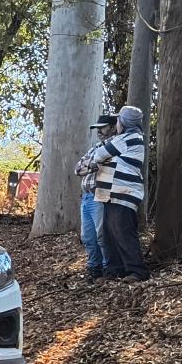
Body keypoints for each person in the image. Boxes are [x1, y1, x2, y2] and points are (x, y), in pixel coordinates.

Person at [89, 104, 150, 283]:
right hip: (112, 193)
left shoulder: (129, 138)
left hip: (123, 192)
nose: (116, 124)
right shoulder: (128, 138)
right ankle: (114, 271)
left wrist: (106, 158)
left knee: (123, 232)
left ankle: (137, 271)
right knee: (109, 234)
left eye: (118, 120)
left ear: (123, 122)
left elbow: (98, 155)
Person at [74, 112, 118, 280]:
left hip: (100, 195)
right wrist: (94, 164)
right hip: (86, 196)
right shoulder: (95, 147)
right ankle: (94, 268)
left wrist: (92, 164)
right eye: (97, 128)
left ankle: (108, 269)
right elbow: (78, 168)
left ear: (113, 128)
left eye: (103, 127)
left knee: (102, 235)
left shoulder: (115, 145)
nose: (99, 131)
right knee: (87, 237)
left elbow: (97, 165)